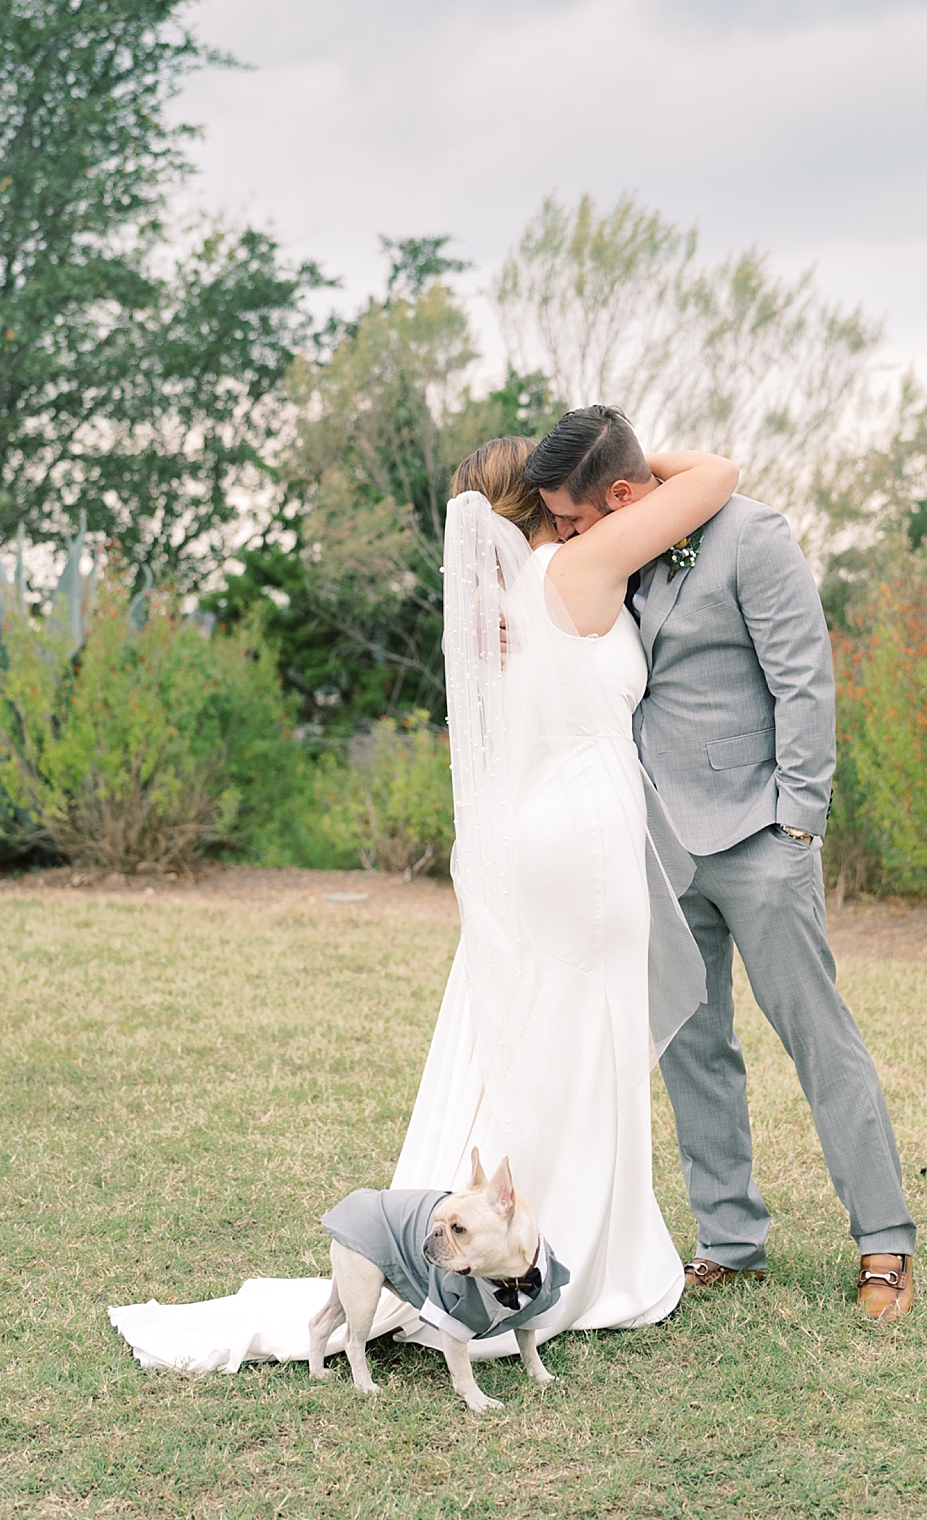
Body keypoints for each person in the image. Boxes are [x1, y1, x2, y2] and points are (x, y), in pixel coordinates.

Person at [108, 430, 739, 1376]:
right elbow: (719, 474)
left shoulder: (491, 602)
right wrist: (621, 457)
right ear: (549, 498)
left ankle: (491, 1238)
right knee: (586, 1036)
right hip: (585, 837)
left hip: (532, 833)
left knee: (528, 1030)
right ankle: (580, 1261)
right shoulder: (580, 562)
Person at [524, 406, 916, 1323]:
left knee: (817, 1038)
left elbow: (801, 680)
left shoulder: (752, 535)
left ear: (621, 495)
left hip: (758, 838)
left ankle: (884, 1242)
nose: (566, 535)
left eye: (573, 517)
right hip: (655, 850)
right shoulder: (615, 552)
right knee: (693, 1051)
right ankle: (730, 1243)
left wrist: (797, 824)